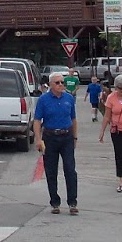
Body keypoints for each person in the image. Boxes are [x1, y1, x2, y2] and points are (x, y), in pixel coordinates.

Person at [32, 71, 79, 215]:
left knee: (70, 169)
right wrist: (38, 139)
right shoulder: (44, 100)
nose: (61, 85)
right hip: (50, 137)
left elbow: (73, 119)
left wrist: (75, 137)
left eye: (62, 82)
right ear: (51, 85)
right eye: (57, 83)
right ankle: (55, 202)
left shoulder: (69, 98)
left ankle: (72, 202)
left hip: (66, 137)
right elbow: (37, 120)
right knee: (51, 171)